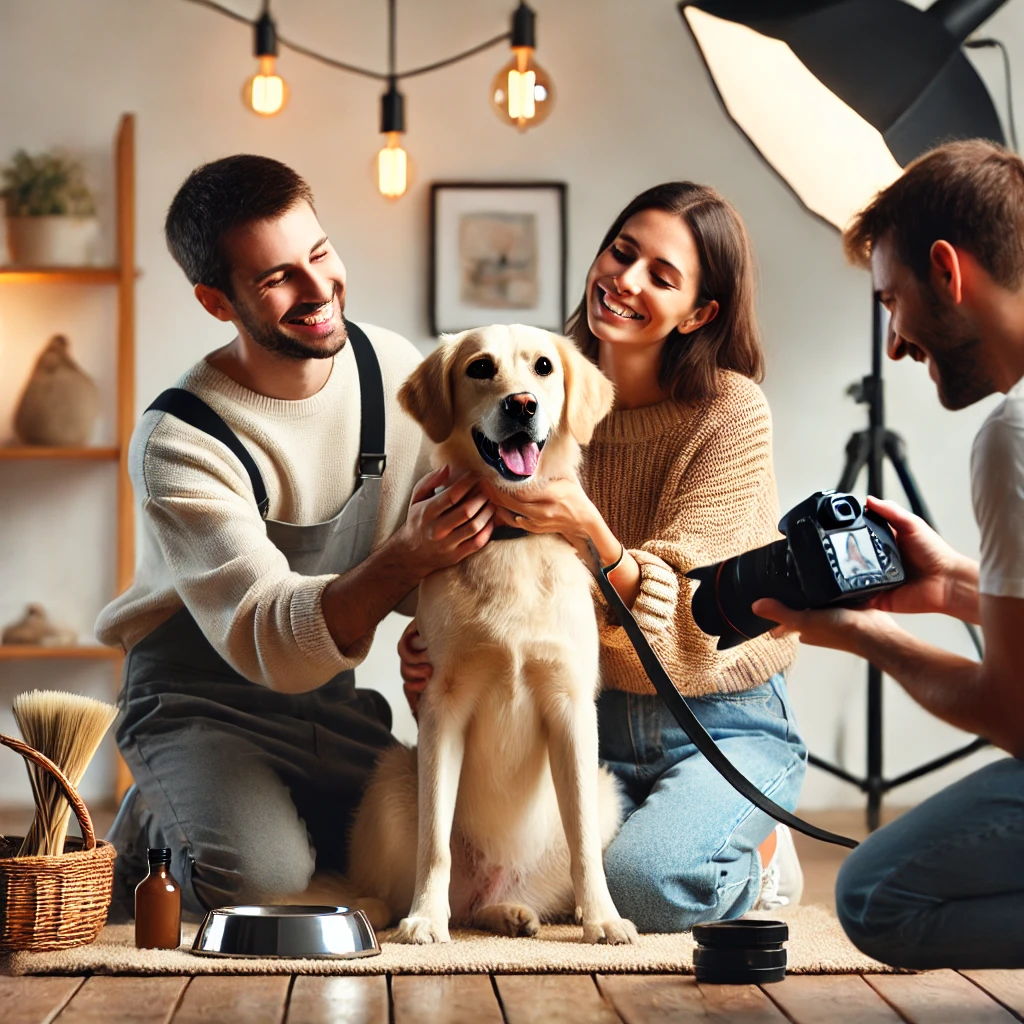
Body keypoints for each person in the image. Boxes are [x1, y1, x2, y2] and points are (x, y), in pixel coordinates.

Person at [97, 155, 497, 920]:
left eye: (319, 253)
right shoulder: (181, 438)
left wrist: (439, 637)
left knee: (438, 857)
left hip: (328, 700)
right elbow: (269, 637)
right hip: (196, 701)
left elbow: (429, 572)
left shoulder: (392, 371)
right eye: (278, 277)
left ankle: (247, 813)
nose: (319, 292)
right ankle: (155, 819)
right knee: (260, 886)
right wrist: (408, 555)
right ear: (216, 301)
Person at [401, 182, 807, 932]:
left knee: (648, 890)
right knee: (552, 880)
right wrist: (439, 636)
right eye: (622, 253)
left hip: (720, 721)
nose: (627, 280)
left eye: (662, 274)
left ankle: (761, 851)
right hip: (595, 723)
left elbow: (694, 621)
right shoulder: (528, 398)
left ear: (700, 312)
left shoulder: (731, 411)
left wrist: (592, 533)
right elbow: (494, 608)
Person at [754, 139, 1024, 970]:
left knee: (877, 894)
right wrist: (947, 584)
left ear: (948, 271)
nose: (897, 343)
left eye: (890, 302)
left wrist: (859, 635)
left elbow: (1014, 715)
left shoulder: (1011, 437)